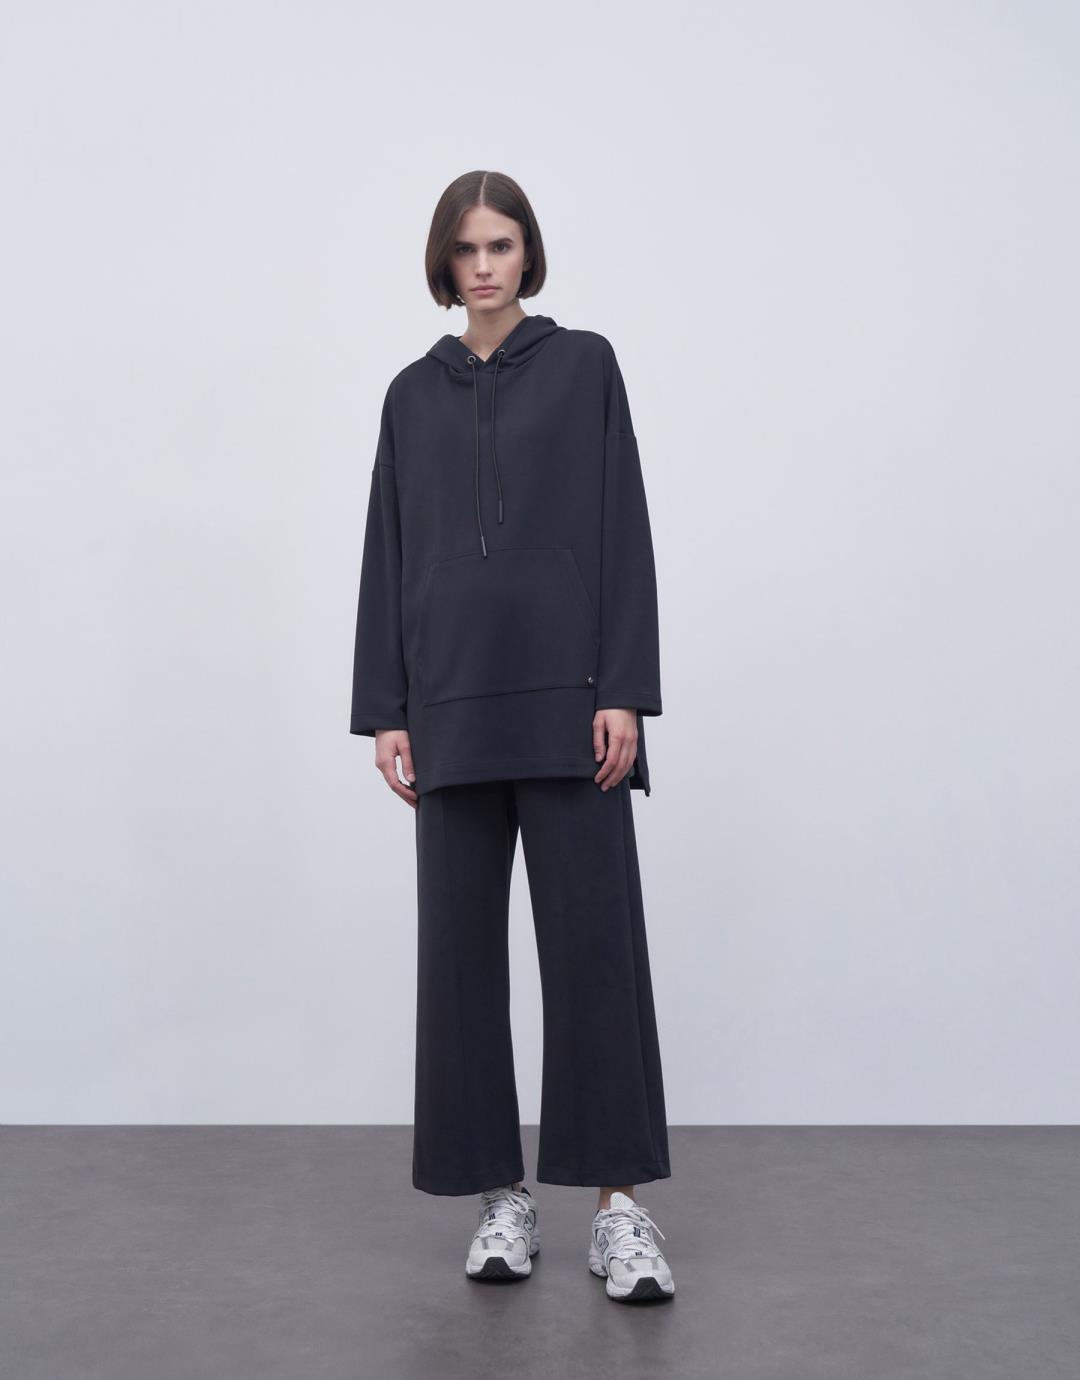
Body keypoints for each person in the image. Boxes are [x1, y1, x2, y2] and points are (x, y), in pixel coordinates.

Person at [350, 170, 674, 1303]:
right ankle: (502, 1199)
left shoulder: (585, 366)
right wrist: (387, 707)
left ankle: (619, 1211)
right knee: (460, 967)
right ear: (444, 263)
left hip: (572, 705)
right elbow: (389, 550)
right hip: (449, 709)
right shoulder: (410, 395)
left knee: (594, 957)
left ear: (528, 252)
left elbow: (623, 526)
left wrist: (623, 687)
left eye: (501, 244)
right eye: (466, 248)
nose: (484, 265)